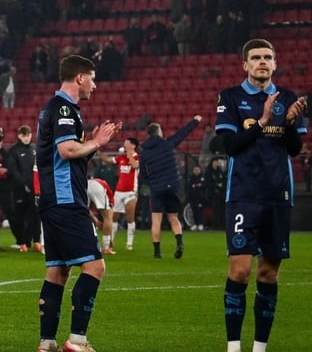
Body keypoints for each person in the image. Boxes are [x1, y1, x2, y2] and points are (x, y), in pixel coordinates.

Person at [215, 39, 307, 352]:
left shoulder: (289, 99)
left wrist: (291, 125)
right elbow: (230, 146)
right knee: (239, 271)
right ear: (245, 64)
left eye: (268, 57)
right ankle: (233, 346)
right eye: (256, 57)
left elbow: (295, 149)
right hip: (242, 194)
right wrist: (264, 123)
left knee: (268, 274)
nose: (262, 62)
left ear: (275, 63)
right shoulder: (230, 97)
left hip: (277, 196)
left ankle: (259, 348)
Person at [35, 54, 120, 352]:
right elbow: (67, 150)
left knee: (57, 270)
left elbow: (67, 154)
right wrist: (97, 143)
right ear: (80, 77)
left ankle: (47, 342)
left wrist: (92, 144)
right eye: (93, 78)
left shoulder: (54, 108)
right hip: (65, 198)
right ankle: (78, 341)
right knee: (95, 267)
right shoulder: (64, 108)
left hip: (52, 198)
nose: (95, 85)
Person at [138, 116, 202, 259]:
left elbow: (143, 172)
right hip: (172, 186)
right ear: (159, 132)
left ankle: (157, 253)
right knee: (173, 217)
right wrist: (195, 121)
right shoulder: (167, 144)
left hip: (156, 187)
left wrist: (151, 182)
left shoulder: (144, 151)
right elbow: (183, 133)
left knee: (156, 220)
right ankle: (179, 242)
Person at [6, 125, 42, 253]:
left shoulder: (34, 149)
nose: (26, 138)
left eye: (28, 135)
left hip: (34, 190)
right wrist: (23, 184)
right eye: (24, 135)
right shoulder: (14, 151)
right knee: (19, 217)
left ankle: (36, 242)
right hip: (19, 190)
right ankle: (22, 243)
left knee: (35, 216)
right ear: (19, 136)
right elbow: (13, 170)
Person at [110, 138, 139, 251]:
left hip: (131, 191)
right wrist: (98, 152)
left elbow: (135, 166)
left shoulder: (137, 157)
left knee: (130, 217)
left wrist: (129, 155)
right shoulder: (121, 157)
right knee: (114, 217)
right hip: (119, 191)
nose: (124, 144)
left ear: (133, 145)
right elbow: (110, 160)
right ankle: (110, 241)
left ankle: (129, 243)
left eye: (127, 143)